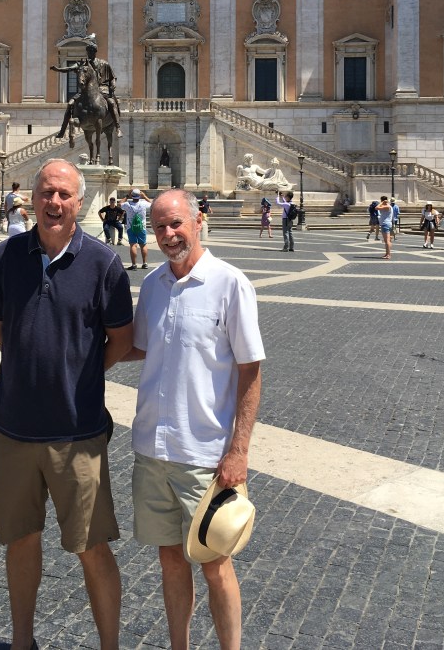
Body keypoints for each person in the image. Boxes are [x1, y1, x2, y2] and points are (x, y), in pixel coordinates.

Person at [0, 158, 133, 650]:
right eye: (47, 192)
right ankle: (22, 642)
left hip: (77, 433)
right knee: (20, 539)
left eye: (64, 194)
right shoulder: (4, 257)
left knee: (92, 546)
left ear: (80, 202)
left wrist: (78, 374)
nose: (54, 201)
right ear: (33, 198)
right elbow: (1, 329)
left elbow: (120, 339)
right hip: (13, 428)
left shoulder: (104, 263)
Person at [123, 189, 265, 650]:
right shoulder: (153, 285)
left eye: (176, 224)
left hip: (205, 454)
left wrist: (239, 450)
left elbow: (250, 370)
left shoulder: (230, 283)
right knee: (169, 560)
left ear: (198, 221)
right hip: (152, 449)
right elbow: (139, 347)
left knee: (216, 564)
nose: (168, 234)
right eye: (159, 227)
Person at [53, 36, 123, 140]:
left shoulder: (104, 64)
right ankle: (62, 130)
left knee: (112, 103)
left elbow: (113, 77)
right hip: (86, 91)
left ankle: (117, 127)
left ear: (95, 52)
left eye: (91, 51)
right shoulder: (83, 65)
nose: (90, 53)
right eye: (88, 51)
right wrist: (58, 69)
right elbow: (69, 68)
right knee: (70, 104)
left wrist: (113, 85)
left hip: (102, 89)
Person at [122, 188, 152, 270]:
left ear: (132, 196)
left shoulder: (127, 204)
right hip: (141, 227)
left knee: (133, 245)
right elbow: (152, 204)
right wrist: (144, 196)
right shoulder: (143, 204)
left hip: (131, 227)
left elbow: (120, 203)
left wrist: (127, 195)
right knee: (143, 245)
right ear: (139, 196)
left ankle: (134, 264)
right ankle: (145, 263)